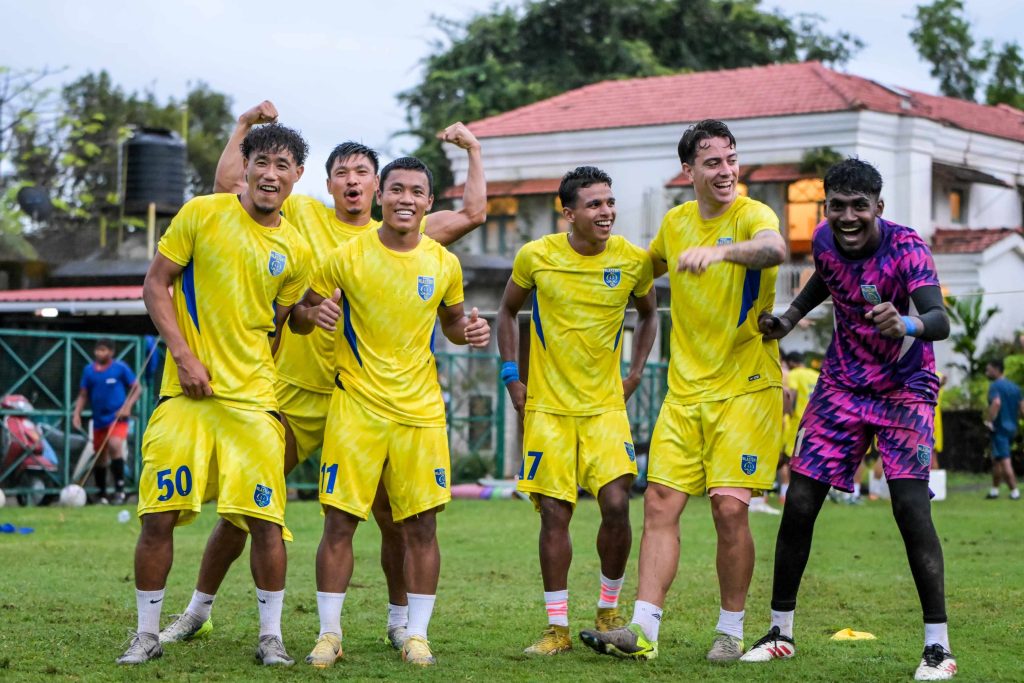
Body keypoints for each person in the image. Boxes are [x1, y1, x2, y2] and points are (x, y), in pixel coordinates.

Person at [160, 100, 487, 650]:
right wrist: (244, 126)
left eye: (363, 172)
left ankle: (399, 622)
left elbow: (476, 213)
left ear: (380, 187)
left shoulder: (408, 232)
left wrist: (473, 151)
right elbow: (230, 187)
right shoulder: (305, 217)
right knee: (247, 509)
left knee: (392, 516)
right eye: (343, 172)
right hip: (290, 390)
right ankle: (198, 609)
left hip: (365, 398)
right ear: (327, 183)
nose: (353, 181)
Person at [741, 158, 957, 681]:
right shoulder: (822, 238)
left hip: (905, 387)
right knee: (799, 501)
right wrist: (789, 319)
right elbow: (825, 278)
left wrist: (904, 320)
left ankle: (938, 647)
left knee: (910, 507)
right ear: (826, 207)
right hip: (841, 384)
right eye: (837, 206)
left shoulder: (907, 249)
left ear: (878, 207)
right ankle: (780, 632)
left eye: (859, 206)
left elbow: (940, 320)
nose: (848, 217)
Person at [580, 119, 787, 662]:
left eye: (731, 160)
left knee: (728, 510)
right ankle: (642, 630)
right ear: (689, 170)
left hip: (746, 388)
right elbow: (638, 269)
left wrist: (720, 253)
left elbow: (774, 251)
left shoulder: (753, 215)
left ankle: (731, 629)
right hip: (684, 393)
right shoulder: (675, 223)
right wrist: (577, 264)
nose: (725, 171)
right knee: (661, 507)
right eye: (713, 162)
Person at [117, 123, 311, 666]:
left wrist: (306, 321)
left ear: (297, 176)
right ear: (244, 165)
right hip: (186, 397)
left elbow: (277, 324)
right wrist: (184, 356)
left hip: (252, 403)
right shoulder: (202, 213)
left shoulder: (294, 249)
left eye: (283, 166)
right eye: (263, 162)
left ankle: (271, 637)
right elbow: (155, 285)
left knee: (267, 521)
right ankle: (146, 634)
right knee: (159, 515)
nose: (271, 175)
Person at [291, 156, 490, 668]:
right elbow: (298, 317)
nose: (405, 198)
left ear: (429, 202)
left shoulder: (443, 263)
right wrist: (317, 313)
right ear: (381, 197)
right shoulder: (344, 257)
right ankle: (328, 634)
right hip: (355, 406)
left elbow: (449, 324)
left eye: (416, 191)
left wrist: (468, 332)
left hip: (420, 412)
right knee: (339, 522)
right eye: (396, 189)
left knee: (420, 525)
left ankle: (416, 635)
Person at [496, 166, 658, 655]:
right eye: (594, 204)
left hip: (605, 408)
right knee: (554, 516)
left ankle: (609, 611)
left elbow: (650, 314)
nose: (606, 212)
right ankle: (557, 629)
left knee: (615, 504)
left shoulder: (632, 261)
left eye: (609, 202)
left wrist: (634, 374)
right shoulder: (536, 256)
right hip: (547, 409)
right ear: (569, 213)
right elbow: (507, 311)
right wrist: (511, 377)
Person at [72, 338, 140, 505]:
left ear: (111, 352)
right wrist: (76, 414)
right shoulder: (89, 371)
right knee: (100, 456)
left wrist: (127, 406)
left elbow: (137, 388)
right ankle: (102, 494)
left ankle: (120, 490)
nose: (99, 353)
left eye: (103, 350)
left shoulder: (120, 368)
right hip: (99, 419)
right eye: (98, 350)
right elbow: (83, 394)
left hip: (117, 417)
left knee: (115, 445)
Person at [984, 358, 1022, 500]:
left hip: (1000, 428)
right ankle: (994, 490)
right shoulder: (1015, 388)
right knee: (997, 459)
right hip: (1012, 428)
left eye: (989, 369)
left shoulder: (995, 386)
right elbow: (1022, 409)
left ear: (996, 369)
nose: (987, 372)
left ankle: (1014, 492)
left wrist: (989, 421)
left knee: (1005, 460)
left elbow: (996, 403)